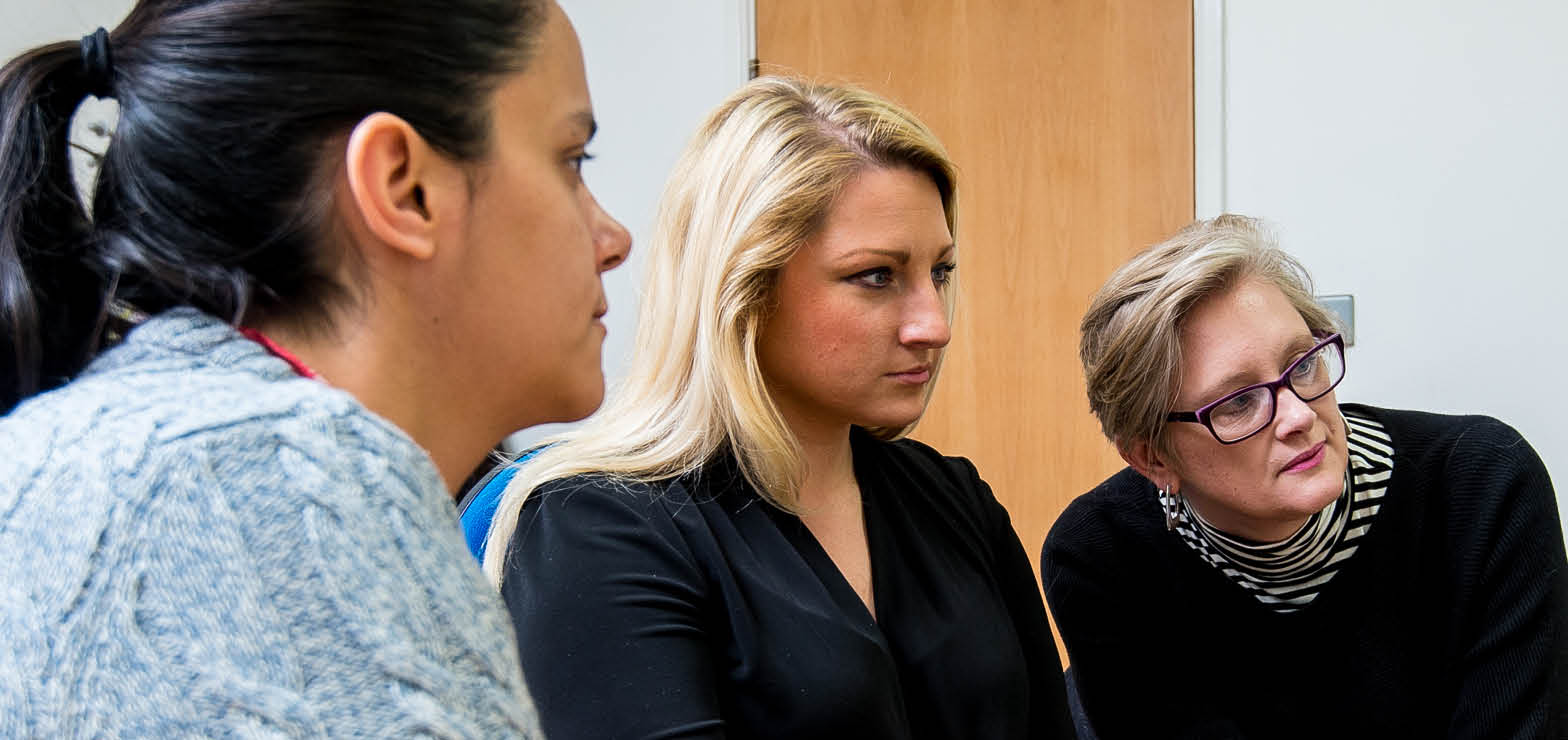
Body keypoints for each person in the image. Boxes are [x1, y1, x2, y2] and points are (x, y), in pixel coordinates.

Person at [0, 0, 630, 735]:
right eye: (571, 161)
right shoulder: (285, 477)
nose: (612, 237)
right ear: (403, 187)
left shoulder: (86, 448)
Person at [473, 77, 1071, 739]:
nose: (933, 323)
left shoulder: (953, 500)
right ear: (744, 288)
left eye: (940, 272)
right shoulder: (594, 527)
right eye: (876, 276)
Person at [1050, 214, 1568, 739]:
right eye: (1238, 403)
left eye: (1302, 364)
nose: (1301, 416)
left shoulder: (1482, 487)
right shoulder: (1101, 554)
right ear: (1152, 459)